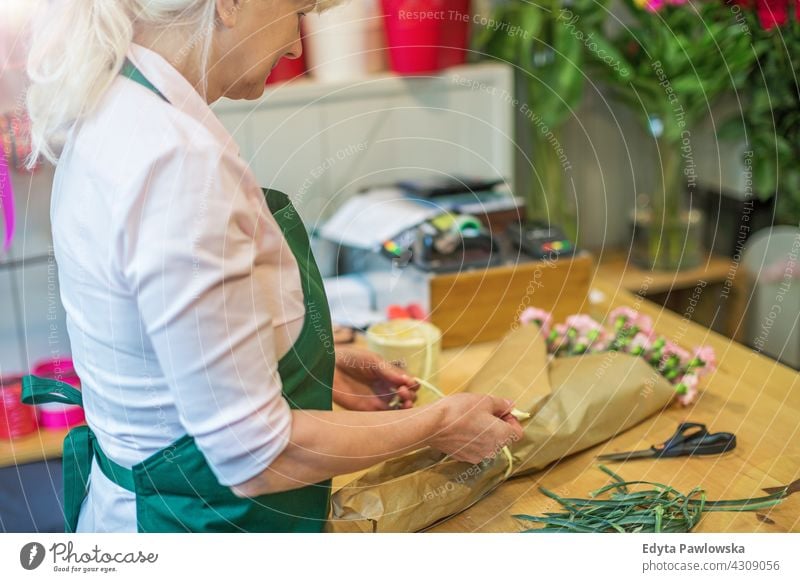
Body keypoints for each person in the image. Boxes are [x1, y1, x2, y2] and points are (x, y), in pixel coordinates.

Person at [22, 0, 523, 533]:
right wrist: (438, 423)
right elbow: (254, 455)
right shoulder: (177, 164)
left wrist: (312, 368)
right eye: (299, 11)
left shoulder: (119, 104)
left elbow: (173, 348)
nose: (296, 46)